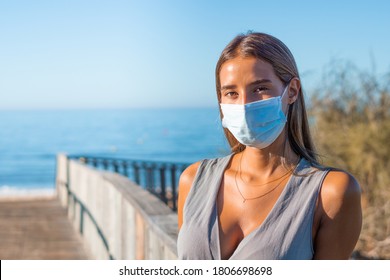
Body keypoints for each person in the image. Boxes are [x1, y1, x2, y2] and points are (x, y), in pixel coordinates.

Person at [176, 32, 362, 260]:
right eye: (231, 93)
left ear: (291, 91)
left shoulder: (331, 193)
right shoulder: (193, 180)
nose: (244, 105)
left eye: (260, 88)